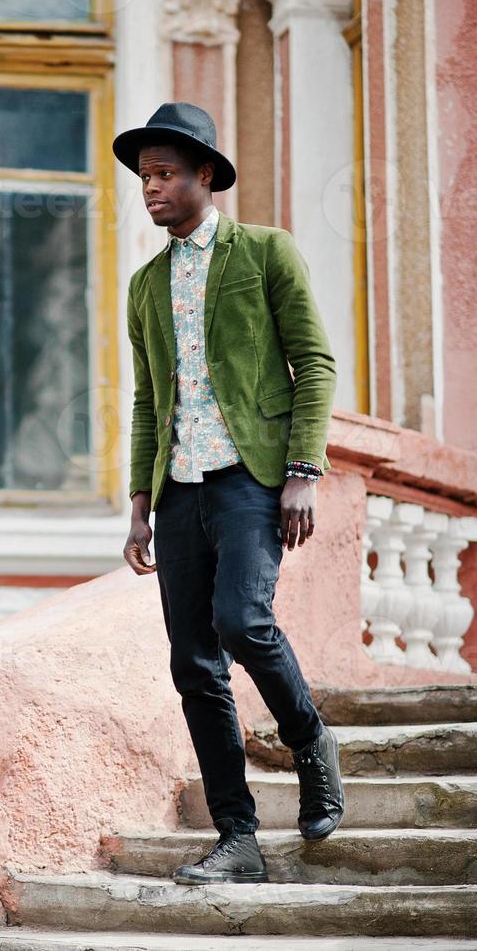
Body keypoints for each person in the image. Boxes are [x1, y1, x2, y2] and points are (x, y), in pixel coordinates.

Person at [113, 102, 345, 885]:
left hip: (252, 476)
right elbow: (148, 399)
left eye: (166, 174)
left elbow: (312, 362)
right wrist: (140, 505)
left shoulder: (265, 253)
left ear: (205, 176)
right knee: (193, 665)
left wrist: (302, 473)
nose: (151, 189)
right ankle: (236, 838)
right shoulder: (145, 285)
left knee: (242, 619)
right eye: (144, 177)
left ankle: (310, 740)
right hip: (177, 490)